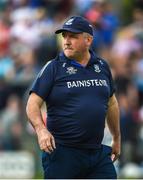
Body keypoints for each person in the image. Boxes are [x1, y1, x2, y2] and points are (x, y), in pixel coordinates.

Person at [26, 16, 121, 179]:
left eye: (73, 36)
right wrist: (41, 131)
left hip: (96, 153)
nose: (66, 41)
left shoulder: (102, 66)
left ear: (88, 40)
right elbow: (32, 104)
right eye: (65, 36)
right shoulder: (53, 67)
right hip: (63, 153)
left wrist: (116, 138)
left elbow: (111, 103)